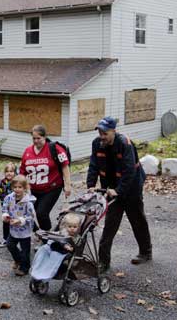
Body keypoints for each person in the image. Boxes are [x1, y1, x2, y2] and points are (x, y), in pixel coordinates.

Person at [86, 116, 152, 273]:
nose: (102, 136)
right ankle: (103, 262)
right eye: (100, 132)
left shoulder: (124, 144)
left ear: (113, 131)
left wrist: (119, 191)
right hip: (112, 188)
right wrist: (90, 185)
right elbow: (94, 165)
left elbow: (129, 171)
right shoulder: (97, 144)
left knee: (137, 220)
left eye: (105, 133)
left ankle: (146, 252)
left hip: (131, 187)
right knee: (110, 225)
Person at [19, 125, 72, 232]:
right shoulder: (27, 151)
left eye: (38, 138)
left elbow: (65, 166)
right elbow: (22, 172)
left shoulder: (55, 148)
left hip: (51, 188)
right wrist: (20, 188)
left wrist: (68, 185)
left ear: (45, 137)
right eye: (34, 138)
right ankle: (40, 232)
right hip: (33, 190)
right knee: (28, 211)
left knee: (41, 213)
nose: (36, 141)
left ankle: (47, 237)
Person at [2, 175, 36, 276]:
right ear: (12, 187)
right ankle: (18, 260)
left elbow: (31, 216)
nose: (17, 189)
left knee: (25, 251)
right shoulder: (9, 198)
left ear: (25, 188)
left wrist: (20, 220)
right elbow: (5, 208)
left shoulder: (28, 202)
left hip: (24, 231)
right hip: (13, 228)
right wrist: (6, 215)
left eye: (20, 187)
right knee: (10, 244)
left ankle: (25, 268)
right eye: (15, 187)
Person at [0, 162, 16, 247]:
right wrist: (4, 203)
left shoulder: (17, 182)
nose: (9, 173)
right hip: (6, 207)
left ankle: (17, 240)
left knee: (16, 222)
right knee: (6, 222)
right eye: (7, 171)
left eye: (11, 171)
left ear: (15, 172)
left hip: (16, 207)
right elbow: (1, 193)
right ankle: (5, 239)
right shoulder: (2, 182)